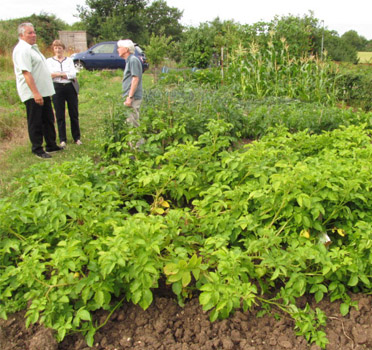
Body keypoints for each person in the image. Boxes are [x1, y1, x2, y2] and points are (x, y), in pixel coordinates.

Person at [12, 23, 62, 159]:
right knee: (36, 121)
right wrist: (35, 93)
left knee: (48, 119)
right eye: (30, 33)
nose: (33, 35)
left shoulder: (32, 48)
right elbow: (26, 73)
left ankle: (51, 144)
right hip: (33, 92)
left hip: (43, 91)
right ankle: (37, 149)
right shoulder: (22, 49)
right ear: (21, 35)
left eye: (34, 32)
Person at [46, 40, 82, 148]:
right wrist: (62, 74)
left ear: (63, 49)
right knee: (59, 113)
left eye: (60, 48)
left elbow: (72, 74)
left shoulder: (69, 60)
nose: (58, 50)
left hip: (69, 87)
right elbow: (50, 74)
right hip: (57, 87)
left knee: (73, 112)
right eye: (56, 48)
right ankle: (62, 139)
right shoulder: (49, 61)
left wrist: (60, 74)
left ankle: (77, 137)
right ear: (53, 49)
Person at [117, 39, 144, 148]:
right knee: (130, 121)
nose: (117, 49)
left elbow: (135, 79)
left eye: (119, 47)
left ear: (126, 49)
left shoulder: (133, 60)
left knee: (133, 122)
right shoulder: (129, 60)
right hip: (129, 96)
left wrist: (130, 96)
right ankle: (134, 146)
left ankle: (137, 149)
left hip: (133, 97)